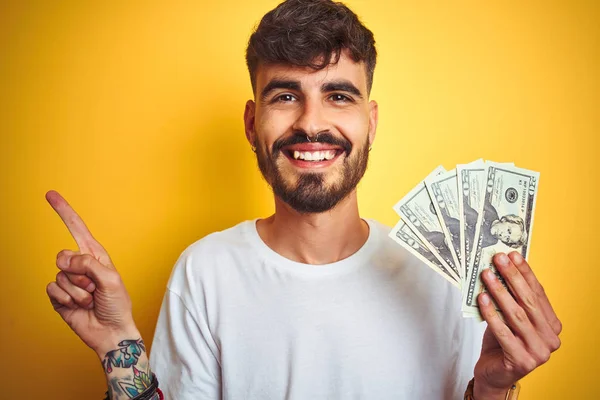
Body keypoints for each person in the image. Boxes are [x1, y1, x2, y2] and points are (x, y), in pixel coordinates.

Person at [45, 0, 562, 399]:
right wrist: (118, 345)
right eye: (286, 95)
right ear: (252, 123)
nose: (312, 123)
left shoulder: (444, 274)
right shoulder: (205, 272)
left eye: (338, 95)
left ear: (371, 122)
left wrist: (495, 388)